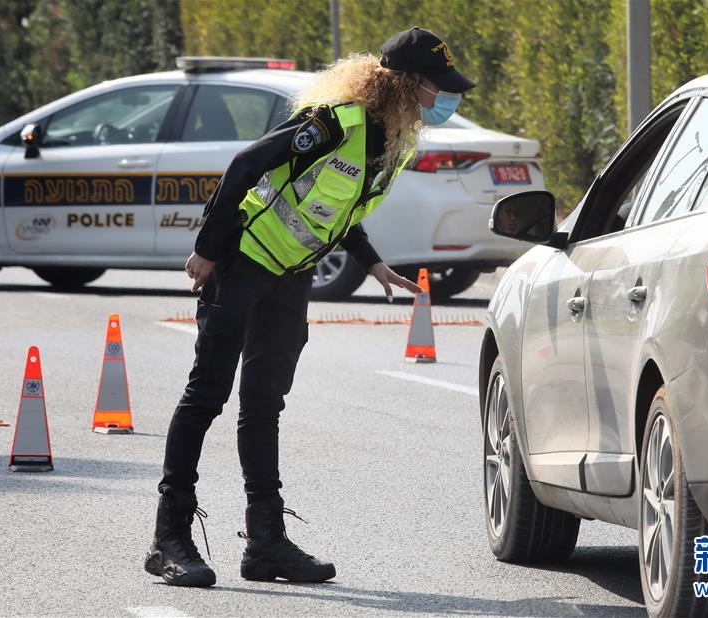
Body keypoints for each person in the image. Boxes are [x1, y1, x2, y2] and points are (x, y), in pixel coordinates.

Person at [144, 27, 476, 587]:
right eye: (435, 88)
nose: (443, 100)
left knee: (264, 405)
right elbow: (245, 166)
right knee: (207, 395)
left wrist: (370, 261)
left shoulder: (394, 141)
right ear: (403, 85)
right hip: (243, 262)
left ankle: (265, 544)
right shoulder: (333, 122)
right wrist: (207, 249)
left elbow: (344, 206)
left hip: (290, 277)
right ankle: (168, 537)